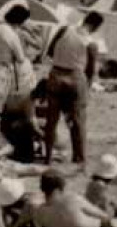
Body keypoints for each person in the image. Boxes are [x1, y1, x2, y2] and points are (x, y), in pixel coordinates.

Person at [42, 11, 104, 167]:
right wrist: (87, 90)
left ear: (84, 20)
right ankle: (79, 158)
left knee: (52, 120)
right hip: (75, 78)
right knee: (78, 121)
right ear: (96, 27)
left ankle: (47, 157)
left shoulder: (64, 29)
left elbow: (49, 52)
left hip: (56, 74)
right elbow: (90, 71)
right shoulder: (91, 43)